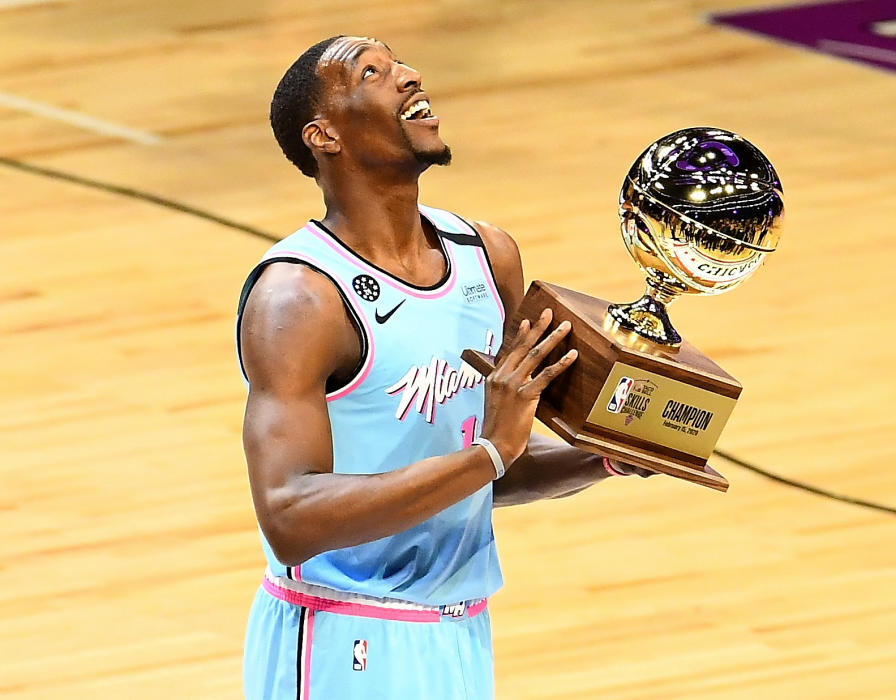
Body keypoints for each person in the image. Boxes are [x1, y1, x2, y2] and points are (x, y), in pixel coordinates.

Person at [238, 35, 651, 700]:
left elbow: (490, 469)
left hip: (459, 633)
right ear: (325, 136)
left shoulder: (488, 255)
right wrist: (490, 451)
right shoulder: (300, 297)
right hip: (344, 637)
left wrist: (604, 457)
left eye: (398, 61)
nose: (409, 75)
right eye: (371, 72)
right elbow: (290, 518)